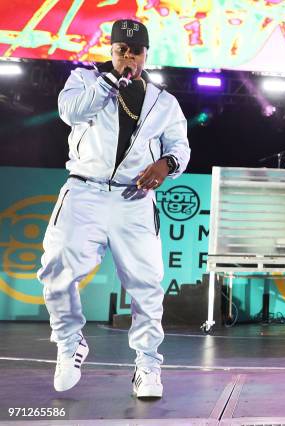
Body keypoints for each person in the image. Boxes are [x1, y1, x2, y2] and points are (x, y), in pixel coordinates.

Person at [37, 19, 191, 398]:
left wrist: (166, 165)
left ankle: (147, 365)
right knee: (55, 269)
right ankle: (71, 341)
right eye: (121, 49)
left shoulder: (163, 100)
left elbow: (181, 147)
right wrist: (109, 83)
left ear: (145, 54)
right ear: (111, 50)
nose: (128, 57)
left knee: (146, 286)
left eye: (135, 51)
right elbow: (68, 112)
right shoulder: (84, 80)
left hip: (134, 200)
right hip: (84, 191)